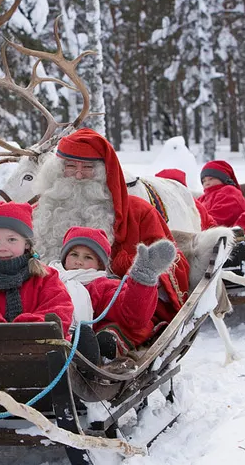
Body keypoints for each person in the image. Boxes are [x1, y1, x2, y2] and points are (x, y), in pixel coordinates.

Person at [32, 128, 190, 323]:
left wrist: (132, 267)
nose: (78, 175)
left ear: (104, 172)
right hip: (44, 309)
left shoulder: (139, 213)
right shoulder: (40, 212)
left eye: (88, 167)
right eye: (70, 166)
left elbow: (173, 267)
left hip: (112, 312)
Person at [51, 226, 177, 359]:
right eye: (74, 254)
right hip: (50, 333)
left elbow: (132, 314)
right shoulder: (50, 278)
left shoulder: (103, 286)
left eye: (88, 257)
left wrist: (142, 280)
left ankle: (100, 351)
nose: (79, 262)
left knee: (110, 332)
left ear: (99, 265)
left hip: (88, 340)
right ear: (64, 257)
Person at [0, 201, 73, 328]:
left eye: (11, 240)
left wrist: (26, 327)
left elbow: (59, 307)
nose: (3, 248)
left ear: (26, 243)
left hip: (40, 344)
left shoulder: (45, 277)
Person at [196, 160, 245, 227]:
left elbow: (218, 219)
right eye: (203, 181)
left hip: (230, 234)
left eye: (211, 179)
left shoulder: (229, 192)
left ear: (223, 179)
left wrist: (194, 221)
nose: (207, 183)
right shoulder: (203, 198)